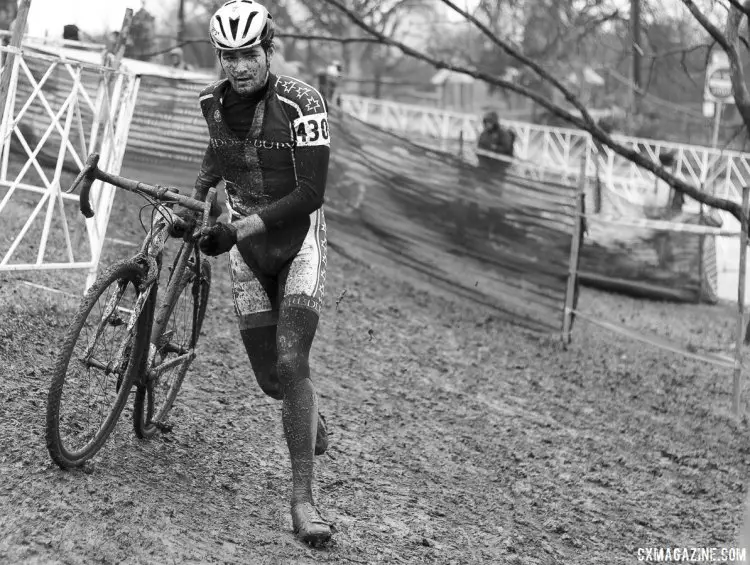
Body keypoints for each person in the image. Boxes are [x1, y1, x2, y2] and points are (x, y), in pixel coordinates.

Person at [171, 0, 333, 546]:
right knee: (273, 382)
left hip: (297, 243)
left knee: (291, 361)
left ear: (268, 50)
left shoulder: (303, 101)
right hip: (247, 249)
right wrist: (191, 206)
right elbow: (216, 161)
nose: (239, 67)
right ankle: (308, 414)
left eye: (249, 55)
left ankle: (303, 502)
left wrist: (236, 231)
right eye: (228, 56)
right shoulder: (212, 103)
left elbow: (311, 193)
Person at [476, 110, 515, 176]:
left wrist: (495, 147)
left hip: (499, 166)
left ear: (494, 123)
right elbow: (480, 145)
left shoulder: (503, 134)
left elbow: (507, 148)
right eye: (486, 122)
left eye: (490, 122)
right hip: (484, 164)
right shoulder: (484, 133)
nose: (487, 124)